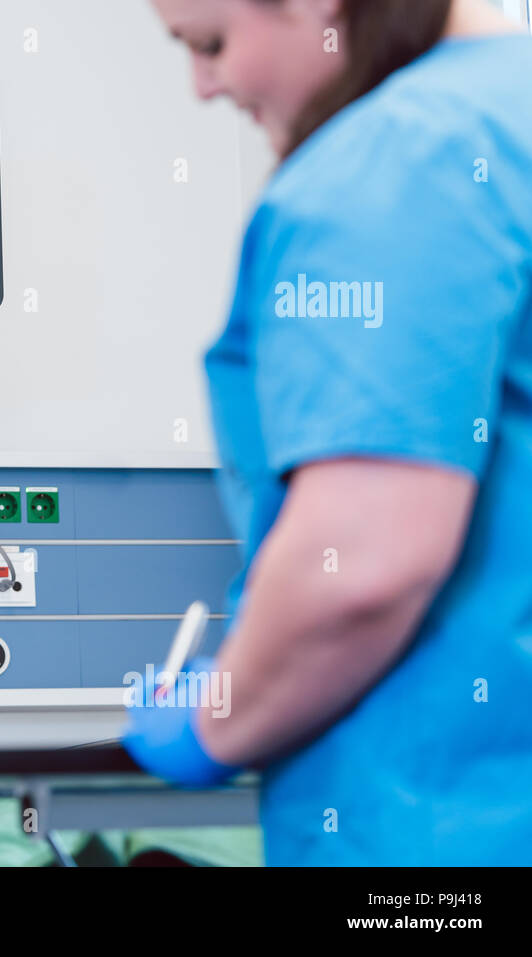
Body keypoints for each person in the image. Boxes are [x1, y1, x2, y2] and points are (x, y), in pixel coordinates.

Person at [124, 0, 532, 864]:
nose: (205, 86)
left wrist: (217, 716)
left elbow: (362, 568)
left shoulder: (400, 158)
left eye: (212, 43)